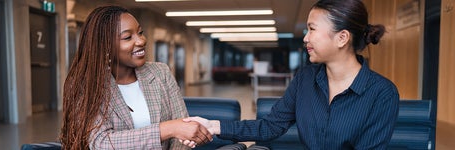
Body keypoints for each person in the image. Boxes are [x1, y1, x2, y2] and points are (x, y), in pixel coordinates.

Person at [184, 0, 400, 149]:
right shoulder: (306, 78)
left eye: (312, 29)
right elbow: (270, 126)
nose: (305, 38)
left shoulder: (382, 93)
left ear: (342, 38)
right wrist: (213, 126)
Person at [59, 5, 212, 149]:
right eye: (127, 37)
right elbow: (102, 142)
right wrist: (167, 129)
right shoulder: (86, 84)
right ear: (105, 46)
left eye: (140, 32)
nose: (141, 41)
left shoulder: (161, 73)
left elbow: (183, 134)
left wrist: (177, 131)